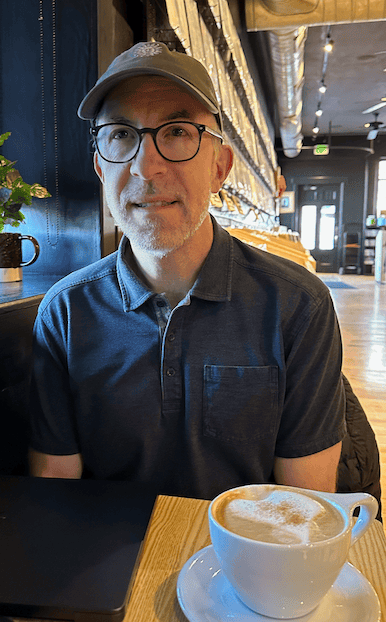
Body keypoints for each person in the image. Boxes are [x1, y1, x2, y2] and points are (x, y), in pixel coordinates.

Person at [28, 41, 346, 500]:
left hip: (244, 561)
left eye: (177, 131)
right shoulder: (66, 312)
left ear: (220, 167)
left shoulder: (297, 305)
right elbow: (53, 494)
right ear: (100, 167)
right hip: (109, 560)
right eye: (120, 133)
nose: (145, 165)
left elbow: (307, 503)